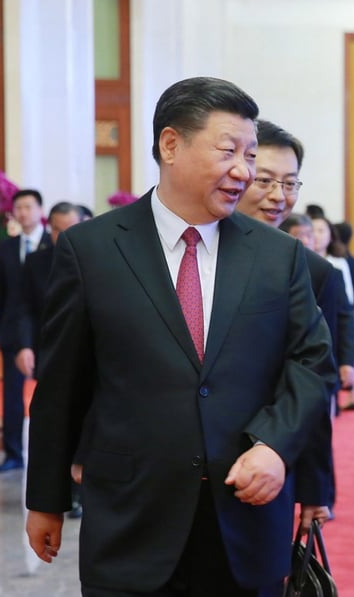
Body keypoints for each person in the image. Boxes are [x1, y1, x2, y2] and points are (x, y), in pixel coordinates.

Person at [24, 76, 336, 596]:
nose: (244, 170)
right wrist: (45, 499)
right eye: (228, 151)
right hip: (131, 518)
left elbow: (312, 364)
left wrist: (275, 445)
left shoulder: (277, 256)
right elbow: (62, 385)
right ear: (171, 145)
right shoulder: (92, 250)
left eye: (250, 154)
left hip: (244, 518)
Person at [236, 118, 354, 521]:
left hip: (270, 453)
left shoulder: (314, 271)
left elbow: (313, 384)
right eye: (265, 181)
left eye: (289, 184)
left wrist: (315, 488)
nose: (277, 196)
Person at [14, 202, 84, 517]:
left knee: (84, 423)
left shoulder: (97, 257)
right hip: (50, 354)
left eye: (70, 228)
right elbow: (25, 308)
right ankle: (58, 494)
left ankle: (82, 493)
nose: (63, 235)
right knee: (55, 422)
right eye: (57, 229)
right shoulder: (37, 262)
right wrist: (24, 346)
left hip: (88, 356)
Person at [0, 188, 50, 473]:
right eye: (19, 207)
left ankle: (50, 453)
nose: (23, 212)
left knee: (51, 394)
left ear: (40, 211)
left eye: (28, 207)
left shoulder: (53, 243)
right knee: (11, 396)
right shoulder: (6, 247)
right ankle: (13, 453)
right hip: (13, 332)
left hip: (47, 332)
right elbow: (0, 292)